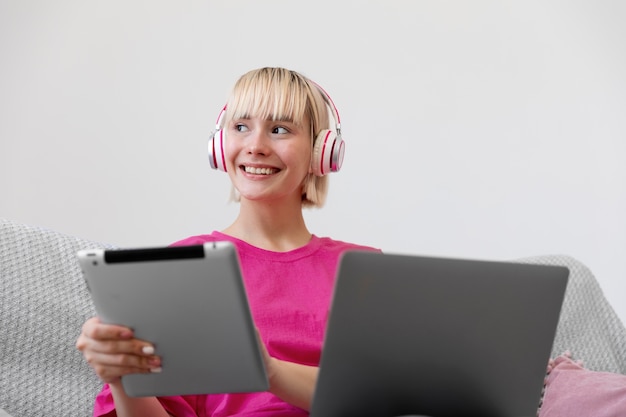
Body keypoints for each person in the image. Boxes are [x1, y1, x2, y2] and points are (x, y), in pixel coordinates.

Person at [76, 66, 380, 417]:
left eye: (279, 129)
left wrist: (269, 373)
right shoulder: (183, 267)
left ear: (321, 151)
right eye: (240, 128)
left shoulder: (364, 270)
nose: (255, 146)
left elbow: (381, 398)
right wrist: (122, 377)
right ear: (220, 145)